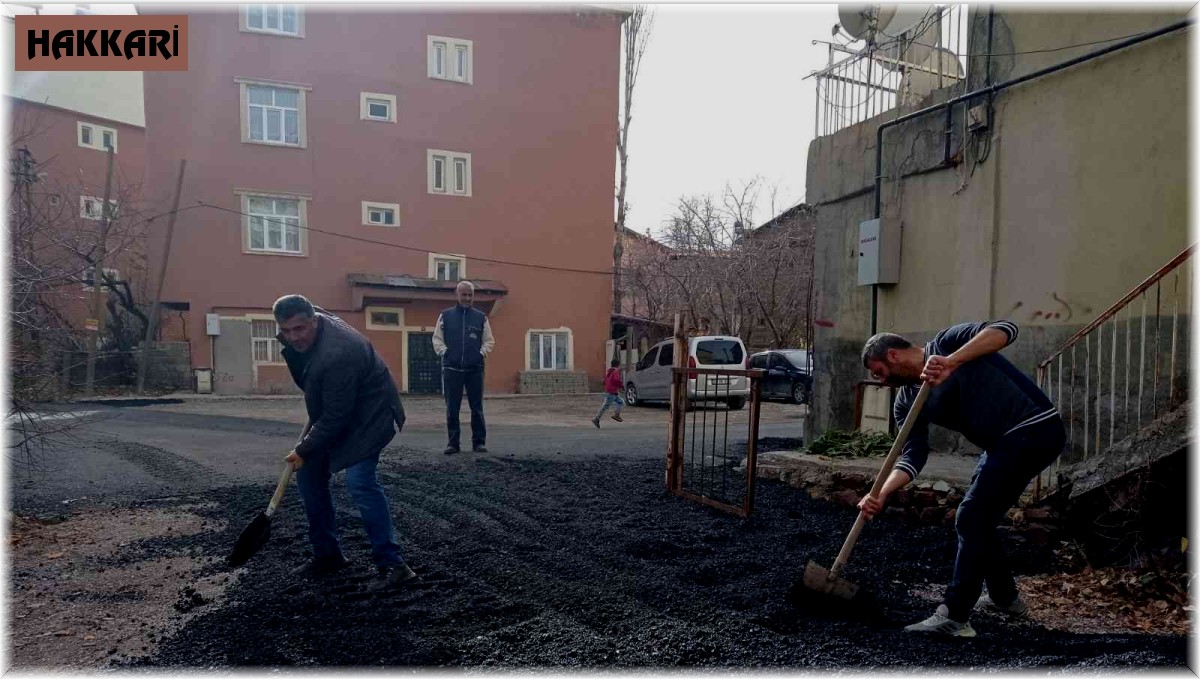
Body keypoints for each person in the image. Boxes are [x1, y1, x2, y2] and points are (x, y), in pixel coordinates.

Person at [858, 320, 1064, 637]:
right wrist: (881, 493)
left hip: (1034, 428)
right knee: (978, 520)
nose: (879, 381)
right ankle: (1005, 598)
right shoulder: (906, 402)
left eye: (878, 371)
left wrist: (952, 361)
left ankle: (955, 615)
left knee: (971, 517)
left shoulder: (946, 343)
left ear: (894, 356)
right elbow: (912, 456)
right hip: (1000, 445)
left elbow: (1006, 329)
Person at [274, 294, 416, 591]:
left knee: (359, 481)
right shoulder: (307, 334)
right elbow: (328, 405)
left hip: (372, 415)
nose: (292, 337)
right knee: (309, 476)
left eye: (299, 329)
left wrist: (303, 448)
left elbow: (336, 417)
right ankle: (327, 555)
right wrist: (306, 452)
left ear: (313, 320)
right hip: (343, 407)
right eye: (286, 331)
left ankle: (393, 564)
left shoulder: (339, 352)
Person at [432, 280, 495, 454]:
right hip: (452, 369)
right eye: (464, 294)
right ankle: (453, 443)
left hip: (475, 369)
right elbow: (437, 339)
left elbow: (489, 341)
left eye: (470, 295)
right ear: (457, 294)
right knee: (452, 408)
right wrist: (446, 353)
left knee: (477, 408)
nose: (467, 298)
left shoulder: (481, 317)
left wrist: (480, 354)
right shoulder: (445, 316)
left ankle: (479, 443)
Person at [592, 358, 625, 428]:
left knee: (621, 402)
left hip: (611, 391)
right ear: (618, 365)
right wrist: (621, 386)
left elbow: (604, 382)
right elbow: (616, 380)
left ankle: (617, 415)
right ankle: (596, 419)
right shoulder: (616, 371)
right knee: (605, 406)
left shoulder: (609, 371)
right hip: (612, 392)